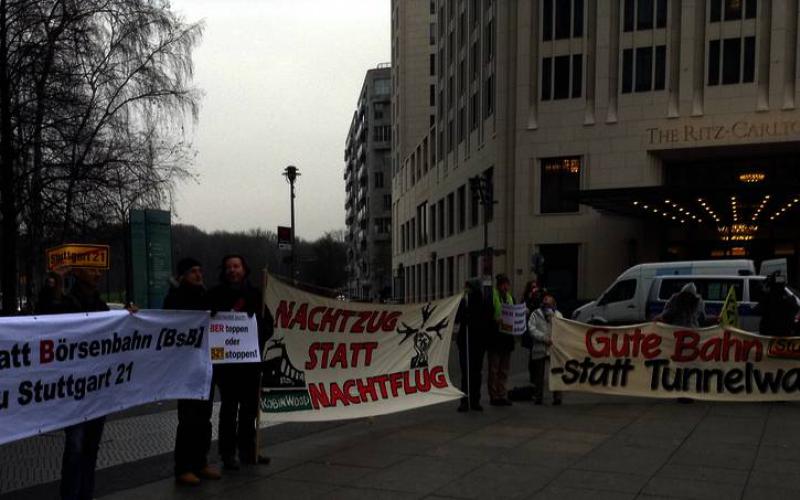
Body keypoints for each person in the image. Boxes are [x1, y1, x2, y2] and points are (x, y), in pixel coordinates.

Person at [207, 255, 270, 470]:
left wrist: (256, 329)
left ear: (244, 269)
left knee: (249, 410)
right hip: (227, 366)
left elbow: (268, 324)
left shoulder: (255, 295)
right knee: (229, 410)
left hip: (250, 363)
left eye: (236, 266)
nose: (232, 270)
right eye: (229, 267)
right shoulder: (215, 294)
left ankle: (248, 450)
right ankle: (227, 454)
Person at [164, 258, 221, 486]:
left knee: (204, 419)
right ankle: (183, 467)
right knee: (188, 419)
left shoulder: (204, 295)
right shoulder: (175, 298)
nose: (198, 275)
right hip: (186, 367)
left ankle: (200, 462)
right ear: (182, 276)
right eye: (193, 272)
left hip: (205, 365)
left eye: (200, 270)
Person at [59, 267, 109, 500]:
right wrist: (54, 282)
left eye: (98, 270)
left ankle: (85, 494)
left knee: (90, 447)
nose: (97, 274)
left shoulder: (101, 305)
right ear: (78, 274)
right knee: (76, 446)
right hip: (74, 389)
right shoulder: (66, 304)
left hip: (96, 388)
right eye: (91, 270)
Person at [455, 279, 490, 412]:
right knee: (466, 373)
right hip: (466, 342)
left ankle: (475, 400)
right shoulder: (464, 302)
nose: (466, 290)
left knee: (475, 372)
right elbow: (458, 318)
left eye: (468, 287)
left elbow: (486, 319)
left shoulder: (482, 302)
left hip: (477, 342)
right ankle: (465, 400)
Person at [527, 293, 563, 405]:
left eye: (548, 300)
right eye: (545, 300)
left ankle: (557, 397)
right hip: (540, 349)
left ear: (553, 303)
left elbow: (562, 330)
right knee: (539, 375)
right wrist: (543, 338)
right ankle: (538, 397)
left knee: (556, 373)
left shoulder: (558, 315)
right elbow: (531, 329)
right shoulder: (535, 314)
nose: (546, 301)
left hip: (553, 349)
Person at [488, 274, 515, 406]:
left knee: (504, 369)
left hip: (506, 338)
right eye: (503, 285)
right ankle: (494, 396)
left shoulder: (510, 298)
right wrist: (495, 321)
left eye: (507, 285)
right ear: (499, 285)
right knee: (494, 369)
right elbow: (488, 315)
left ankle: (502, 394)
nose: (505, 287)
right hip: (495, 338)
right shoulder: (492, 297)